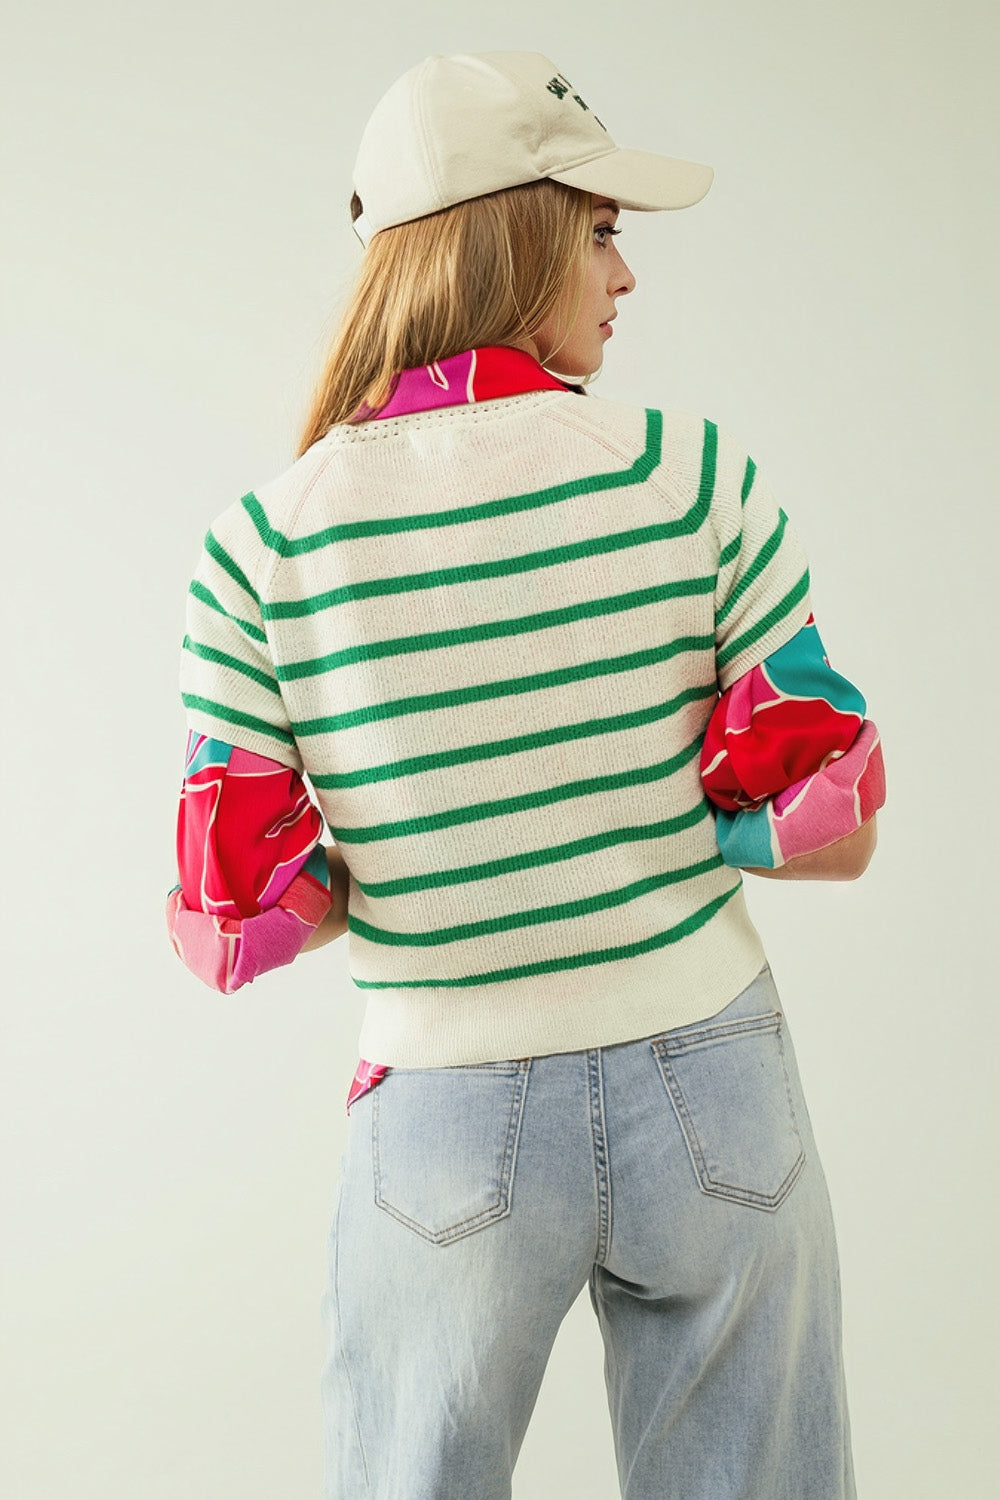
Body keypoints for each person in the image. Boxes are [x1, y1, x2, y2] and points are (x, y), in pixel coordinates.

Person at [166, 50, 884, 1500]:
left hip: (441, 1108)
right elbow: (835, 830)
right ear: (517, 233)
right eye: (604, 231)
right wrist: (655, 808)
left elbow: (233, 923)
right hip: (713, 1074)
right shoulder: (692, 475)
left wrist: (406, 844)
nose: (627, 280)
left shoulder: (267, 544)